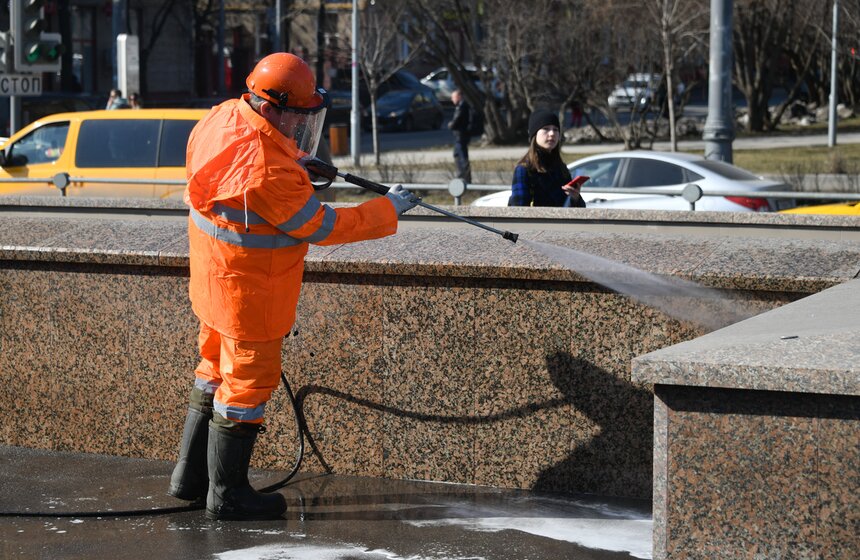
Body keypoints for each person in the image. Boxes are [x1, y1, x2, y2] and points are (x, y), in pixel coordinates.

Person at [167, 52, 418, 521]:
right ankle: (228, 495)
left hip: (213, 282)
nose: (302, 126)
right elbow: (323, 227)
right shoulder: (269, 169)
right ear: (270, 108)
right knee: (245, 388)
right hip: (252, 293)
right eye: (298, 117)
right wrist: (390, 210)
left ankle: (190, 476)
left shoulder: (222, 117)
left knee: (212, 370)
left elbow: (247, 178)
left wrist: (299, 162)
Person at [508, 109, 586, 208]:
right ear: (534, 134)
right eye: (546, 129)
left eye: (555, 129)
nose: (552, 134)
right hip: (536, 223)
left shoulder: (561, 168)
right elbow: (518, 212)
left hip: (561, 223)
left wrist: (575, 198)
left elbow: (577, 211)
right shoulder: (524, 169)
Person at [447, 89, 472, 183]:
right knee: (457, 155)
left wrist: (451, 125)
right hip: (459, 136)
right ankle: (461, 175)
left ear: (459, 96)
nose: (452, 99)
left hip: (461, 136)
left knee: (462, 157)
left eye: (453, 97)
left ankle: (464, 177)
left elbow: (457, 120)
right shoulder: (461, 106)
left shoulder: (462, 106)